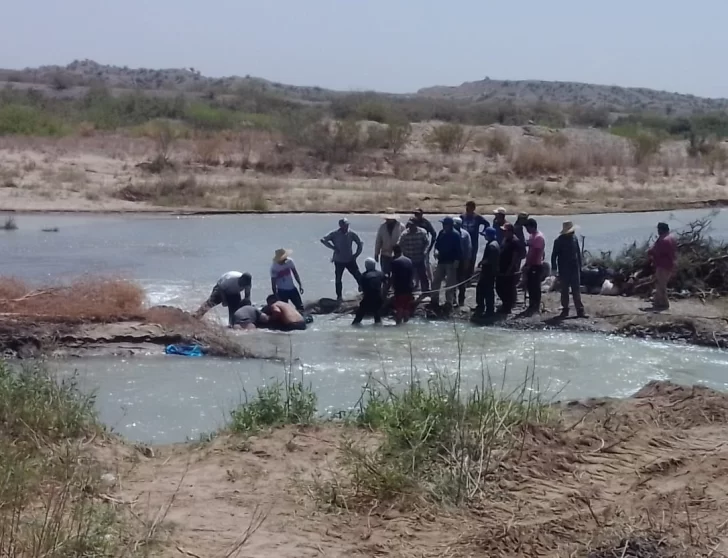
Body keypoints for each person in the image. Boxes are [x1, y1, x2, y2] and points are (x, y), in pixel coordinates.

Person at [321, 218, 364, 302]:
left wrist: (356, 254)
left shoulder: (351, 234)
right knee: (338, 279)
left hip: (350, 259)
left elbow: (360, 243)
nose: (347, 226)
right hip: (339, 260)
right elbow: (323, 240)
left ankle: (362, 290)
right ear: (341, 225)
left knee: (358, 275)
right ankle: (339, 297)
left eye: (347, 225)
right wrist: (333, 248)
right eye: (345, 225)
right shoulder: (335, 234)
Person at [551, 221, 586, 318]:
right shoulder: (558, 241)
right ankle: (565, 309)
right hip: (564, 268)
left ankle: (580, 310)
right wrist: (554, 269)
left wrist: (580, 266)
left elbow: (578, 253)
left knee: (576, 289)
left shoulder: (574, 238)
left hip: (574, 268)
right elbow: (554, 256)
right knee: (565, 290)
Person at [431, 217, 462, 308]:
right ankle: (434, 299)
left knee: (450, 283)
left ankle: (449, 301)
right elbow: (437, 245)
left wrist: (457, 261)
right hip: (441, 261)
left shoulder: (455, 235)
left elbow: (459, 250)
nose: (443, 226)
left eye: (445, 224)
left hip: (451, 262)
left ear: (449, 225)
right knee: (436, 280)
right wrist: (436, 251)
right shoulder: (441, 233)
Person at [648, 222, 677, 310]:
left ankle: (664, 303)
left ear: (661, 229)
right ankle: (658, 301)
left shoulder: (664, 240)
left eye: (658, 229)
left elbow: (656, 251)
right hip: (668, 264)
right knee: (659, 283)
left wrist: (650, 252)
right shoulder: (671, 238)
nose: (657, 231)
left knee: (661, 285)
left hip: (663, 265)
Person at [460, 201, 490, 289]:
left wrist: (484, 232)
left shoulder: (477, 217)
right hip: (464, 241)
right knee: (464, 259)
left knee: (472, 260)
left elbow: (487, 224)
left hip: (473, 242)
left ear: (473, 208)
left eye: (470, 207)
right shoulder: (462, 217)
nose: (468, 208)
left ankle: (469, 279)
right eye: (467, 206)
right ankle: (462, 278)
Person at [496, 224, 523, 314]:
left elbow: (515, 257)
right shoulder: (505, 239)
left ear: (511, 231)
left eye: (505, 231)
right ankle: (505, 304)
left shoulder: (515, 242)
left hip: (509, 269)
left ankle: (507, 307)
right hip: (502, 267)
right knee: (499, 287)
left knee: (507, 288)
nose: (503, 233)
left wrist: (510, 269)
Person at [474, 227, 500, 317]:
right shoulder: (494, 243)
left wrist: (481, 263)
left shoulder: (491, 245)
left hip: (488, 272)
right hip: (490, 271)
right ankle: (487, 308)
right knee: (487, 290)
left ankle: (484, 308)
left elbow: (490, 259)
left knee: (484, 290)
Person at [399, 219, 430, 292]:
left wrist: (425, 251)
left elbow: (427, 243)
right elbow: (400, 244)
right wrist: (404, 252)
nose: (411, 227)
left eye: (412, 225)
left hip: (420, 258)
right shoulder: (404, 234)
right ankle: (410, 291)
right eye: (409, 225)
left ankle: (425, 291)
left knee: (423, 275)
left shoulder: (422, 232)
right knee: (409, 276)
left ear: (416, 225)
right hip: (409, 259)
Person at [353, 258, 385, 325]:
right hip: (379, 298)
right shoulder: (381, 274)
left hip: (368, 299)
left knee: (357, 319)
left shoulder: (363, 276)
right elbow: (386, 283)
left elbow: (360, 289)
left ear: (366, 266)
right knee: (377, 317)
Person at [524, 218, 546, 314]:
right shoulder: (532, 236)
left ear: (532, 227)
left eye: (527, 228)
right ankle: (532, 304)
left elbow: (536, 253)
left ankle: (535, 305)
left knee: (535, 286)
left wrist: (529, 264)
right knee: (530, 285)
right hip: (530, 264)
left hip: (535, 265)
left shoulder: (538, 237)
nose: (527, 230)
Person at [374, 210, 405, 278]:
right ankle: (386, 287)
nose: (388, 220)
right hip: (385, 254)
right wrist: (376, 253)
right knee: (385, 274)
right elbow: (378, 241)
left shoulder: (401, 226)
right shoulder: (382, 227)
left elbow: (404, 240)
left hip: (398, 254)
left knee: (397, 273)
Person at [411, 208, 437, 286]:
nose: (417, 215)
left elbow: (434, 234)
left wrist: (430, 247)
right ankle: (416, 283)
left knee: (426, 264)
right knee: (415, 265)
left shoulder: (426, 223)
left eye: (418, 214)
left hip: (424, 247)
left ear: (422, 214)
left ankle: (432, 282)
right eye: (415, 214)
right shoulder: (412, 221)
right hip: (414, 247)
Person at [390, 245, 414, 324]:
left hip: (400, 289)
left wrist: (390, 288)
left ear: (394, 252)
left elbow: (393, 277)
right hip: (409, 288)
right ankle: (406, 326)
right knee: (406, 308)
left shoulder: (395, 262)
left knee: (399, 308)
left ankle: (398, 326)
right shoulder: (409, 260)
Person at [453, 217, 473, 306]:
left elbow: (468, 249)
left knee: (461, 281)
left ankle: (461, 300)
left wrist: (467, 261)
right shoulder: (451, 233)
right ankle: (453, 300)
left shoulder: (465, 234)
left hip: (462, 261)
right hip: (452, 260)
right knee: (452, 281)